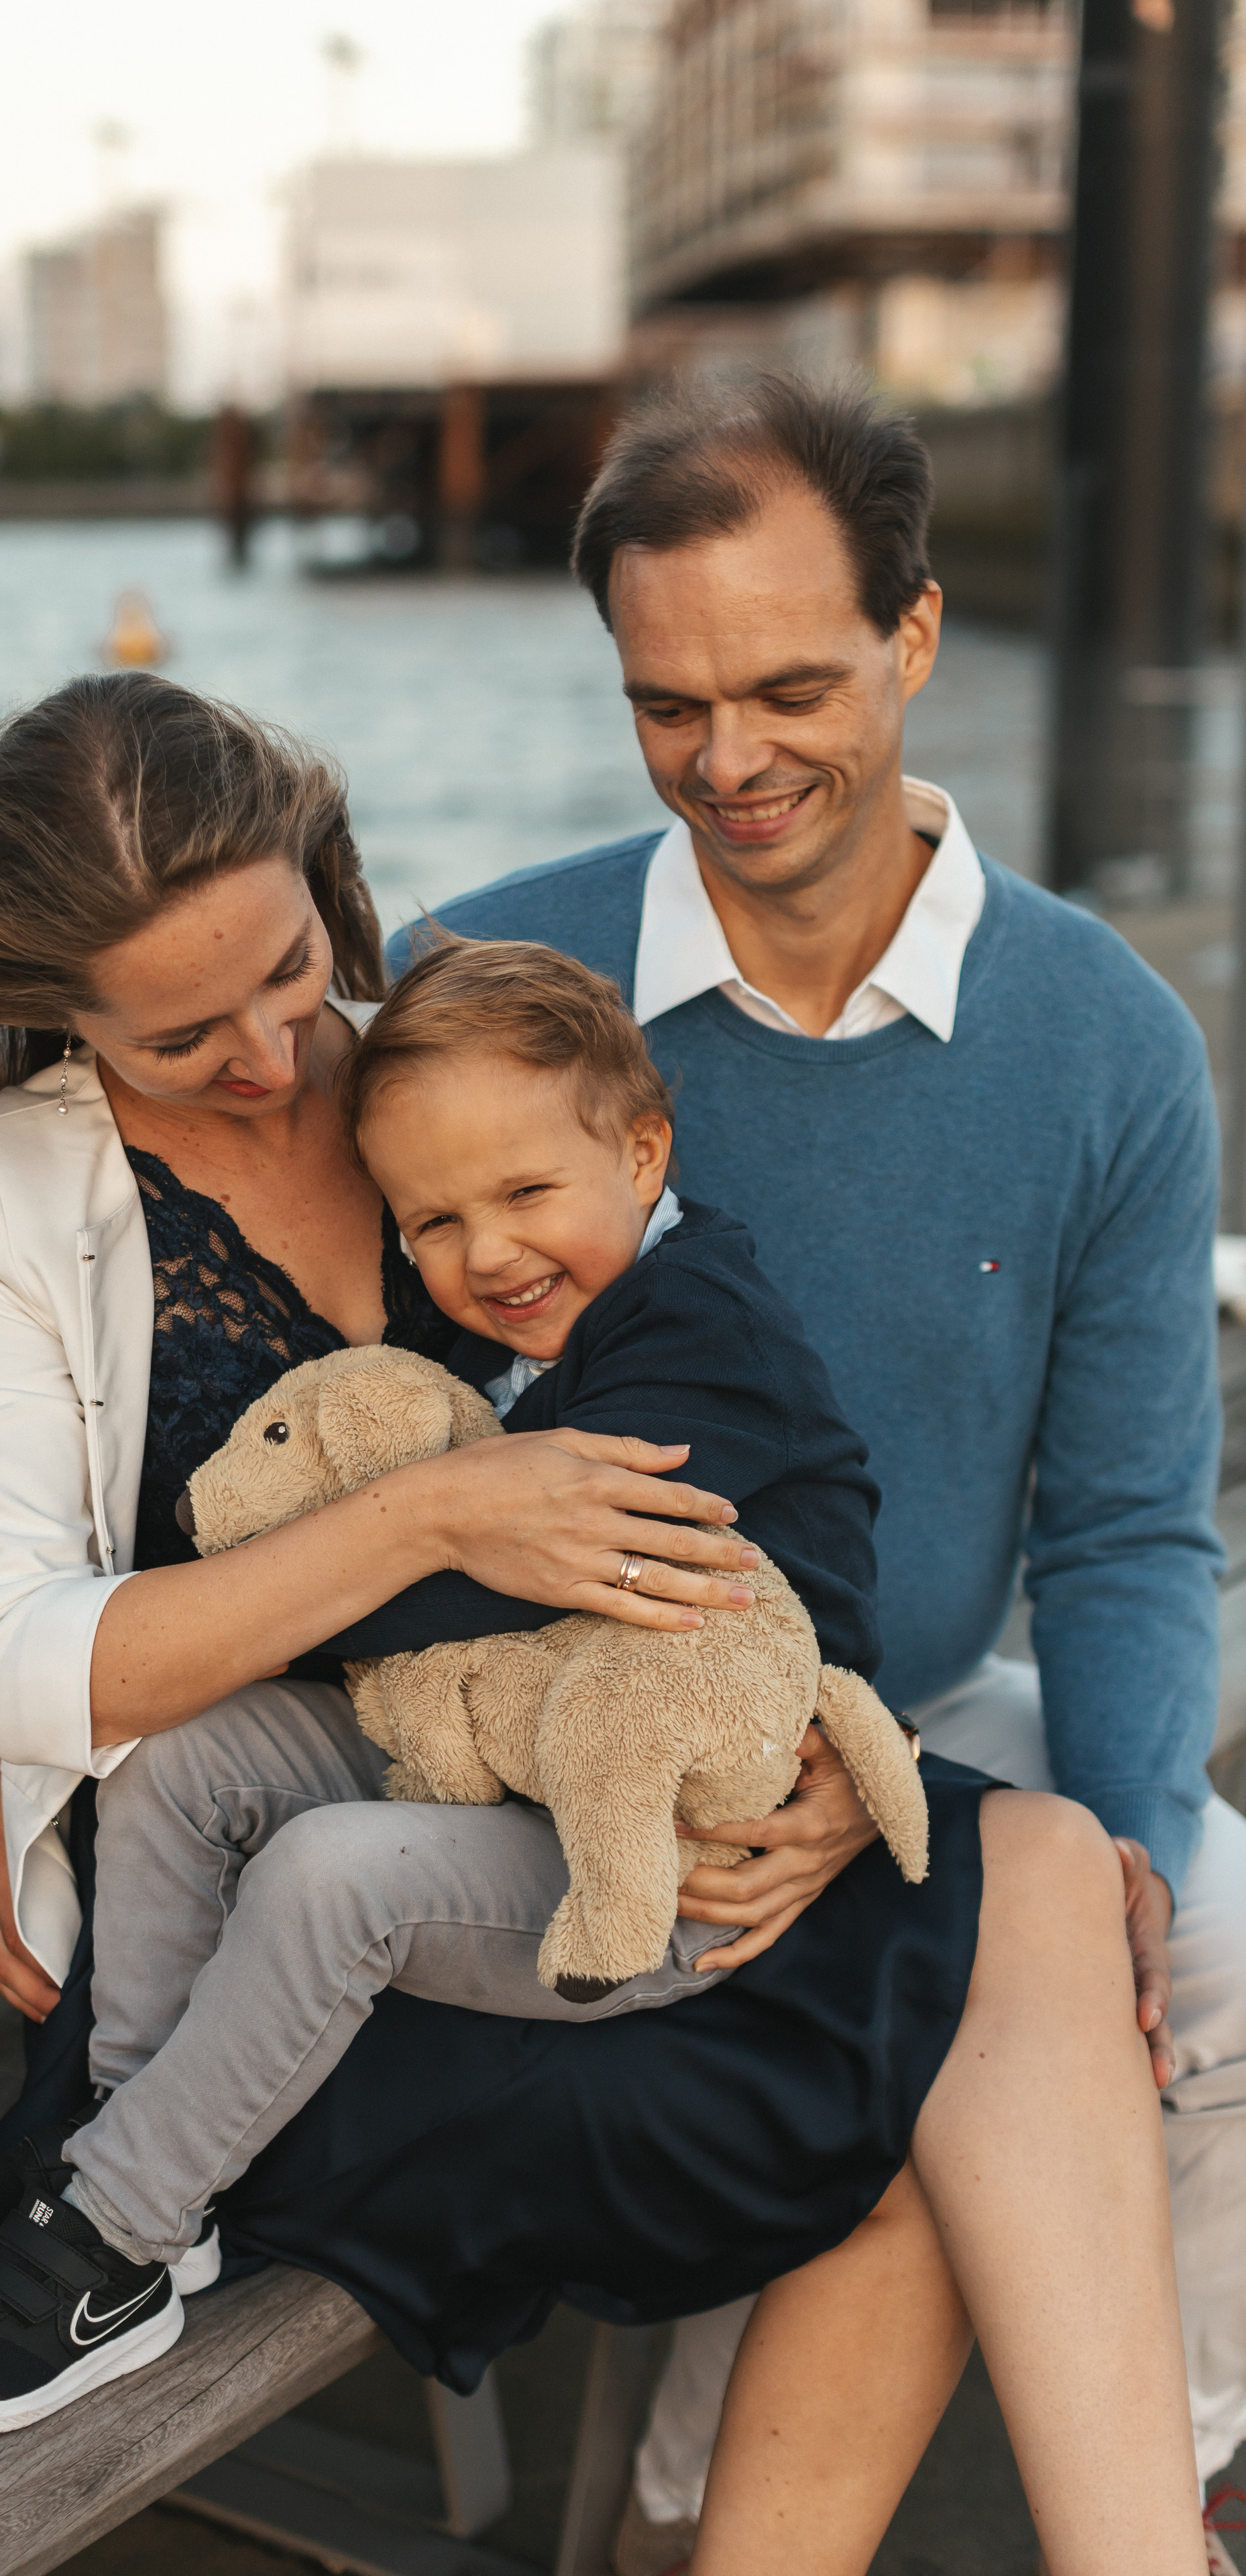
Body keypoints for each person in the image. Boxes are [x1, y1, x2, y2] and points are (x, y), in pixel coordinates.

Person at [0, 673, 1208, 2566]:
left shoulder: (446, 1072)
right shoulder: (5, 1187)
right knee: (945, 2050)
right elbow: (14, 1657)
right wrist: (423, 1515)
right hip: (295, 1949)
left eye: (291, 970)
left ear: (320, 879)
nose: (277, 1054)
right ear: (64, 1009)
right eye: (184, 1035)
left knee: (1049, 1876)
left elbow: (738, 1474)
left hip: (546, 1803)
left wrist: (827, 1749)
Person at [404, 370, 1246, 2576]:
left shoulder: (1103, 1040)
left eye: (790, 688)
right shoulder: (482, 988)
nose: (729, 762)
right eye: (666, 705)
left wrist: (1136, 1840)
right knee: (935, 1977)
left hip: (930, 1694)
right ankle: (713, 2519)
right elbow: (353, 1435)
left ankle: (1161, 2489)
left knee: (1212, 1949)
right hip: (608, 1712)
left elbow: (1130, 1525)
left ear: (917, 635)